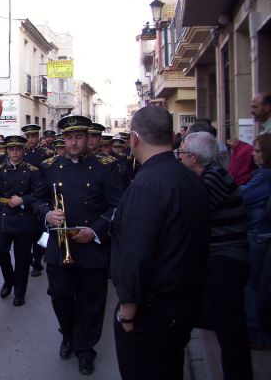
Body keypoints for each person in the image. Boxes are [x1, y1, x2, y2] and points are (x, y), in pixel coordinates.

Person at [111, 106, 210, 380]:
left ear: (133, 139)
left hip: (152, 314)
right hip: (183, 307)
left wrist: (128, 312)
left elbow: (136, 255)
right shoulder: (192, 178)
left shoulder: (146, 186)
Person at [35, 115, 122, 376]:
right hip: (59, 245)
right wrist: (47, 214)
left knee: (92, 301)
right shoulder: (50, 166)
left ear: (88, 138)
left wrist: (95, 230)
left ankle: (85, 349)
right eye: (69, 137)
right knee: (59, 295)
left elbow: (118, 206)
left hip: (92, 245)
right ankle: (69, 333)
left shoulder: (107, 166)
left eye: (79, 137)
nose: (73, 143)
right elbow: (38, 199)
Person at [179, 132, 253, 379]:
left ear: (194, 157)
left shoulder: (213, 179)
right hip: (218, 260)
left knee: (230, 328)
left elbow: (194, 216)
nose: (179, 157)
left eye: (182, 153)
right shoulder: (206, 176)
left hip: (226, 260)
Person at [0, 135, 43, 307]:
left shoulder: (32, 171)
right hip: (4, 215)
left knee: (22, 258)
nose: (15, 152)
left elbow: (40, 194)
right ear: (6, 150)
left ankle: (20, 291)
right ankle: (8, 279)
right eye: (11, 149)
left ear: (23, 150)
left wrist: (23, 200)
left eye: (18, 149)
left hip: (25, 218)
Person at [240, 131, 271, 349]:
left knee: (251, 284)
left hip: (258, 234)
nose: (254, 155)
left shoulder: (265, 176)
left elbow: (242, 195)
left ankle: (256, 333)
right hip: (260, 233)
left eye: (258, 151)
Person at [21, 124, 52, 278]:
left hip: (41, 196)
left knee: (40, 232)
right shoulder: (22, 153)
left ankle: (37, 260)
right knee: (27, 232)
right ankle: (28, 259)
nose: (31, 140)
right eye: (28, 137)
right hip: (25, 198)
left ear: (38, 137)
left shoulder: (46, 153)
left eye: (34, 136)